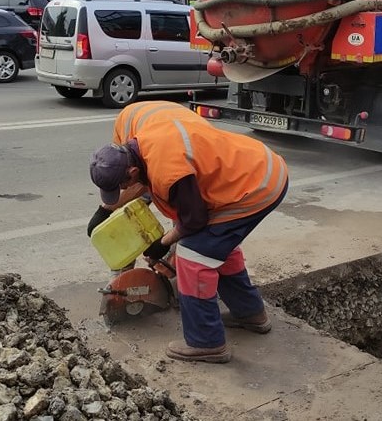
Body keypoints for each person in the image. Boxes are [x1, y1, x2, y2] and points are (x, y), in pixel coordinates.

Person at [88, 101, 289, 363]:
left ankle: (207, 343)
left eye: (122, 185)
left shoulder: (167, 169)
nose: (122, 190)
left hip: (255, 186)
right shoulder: (136, 133)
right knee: (216, 249)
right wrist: (105, 211)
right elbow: (145, 188)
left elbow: (194, 220)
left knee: (193, 254)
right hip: (250, 167)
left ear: (132, 171)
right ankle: (250, 314)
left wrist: (163, 244)